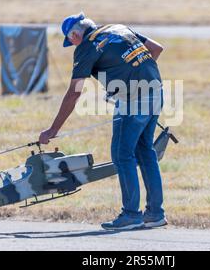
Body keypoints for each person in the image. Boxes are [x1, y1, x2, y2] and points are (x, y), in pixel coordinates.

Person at [39, 12, 166, 230]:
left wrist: (53, 129)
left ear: (76, 34)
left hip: (133, 100)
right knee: (145, 152)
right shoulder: (118, 27)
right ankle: (155, 214)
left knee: (122, 154)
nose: (72, 44)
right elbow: (156, 49)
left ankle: (131, 215)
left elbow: (74, 92)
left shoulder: (86, 47)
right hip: (157, 92)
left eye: (70, 40)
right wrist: (129, 75)